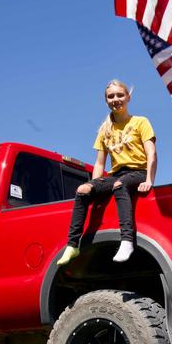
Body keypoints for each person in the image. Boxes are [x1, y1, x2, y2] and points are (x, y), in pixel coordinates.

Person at [57, 79, 157, 265]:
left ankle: (127, 241)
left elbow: (151, 153)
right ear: (106, 101)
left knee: (120, 185)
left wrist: (150, 179)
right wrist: (95, 187)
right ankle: (72, 245)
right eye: (111, 96)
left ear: (128, 97)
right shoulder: (104, 130)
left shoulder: (140, 122)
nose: (115, 99)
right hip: (116, 174)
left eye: (120, 95)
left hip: (138, 172)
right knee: (82, 189)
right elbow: (99, 163)